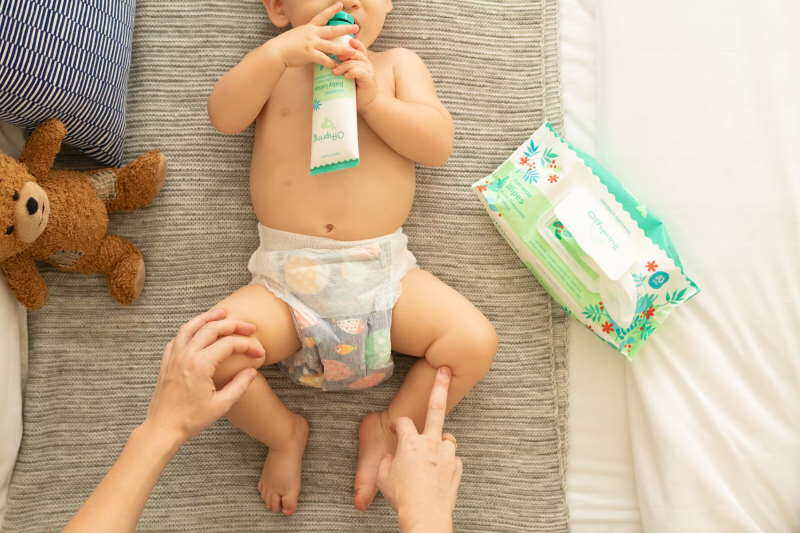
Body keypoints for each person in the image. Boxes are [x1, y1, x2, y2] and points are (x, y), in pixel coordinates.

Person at [205, 0, 496, 515]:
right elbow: (224, 116)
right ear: (278, 8)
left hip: (384, 275)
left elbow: (437, 145)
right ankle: (282, 434)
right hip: (286, 281)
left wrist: (376, 103)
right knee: (209, 356)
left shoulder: (396, 65)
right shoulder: (276, 67)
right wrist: (276, 56)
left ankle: (390, 427)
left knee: (473, 342)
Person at [63, 309, 463, 532]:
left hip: (362, 278)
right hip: (326, 280)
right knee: (472, 341)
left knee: (206, 360)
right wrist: (425, 515)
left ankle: (298, 436)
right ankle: (294, 435)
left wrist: (160, 430)